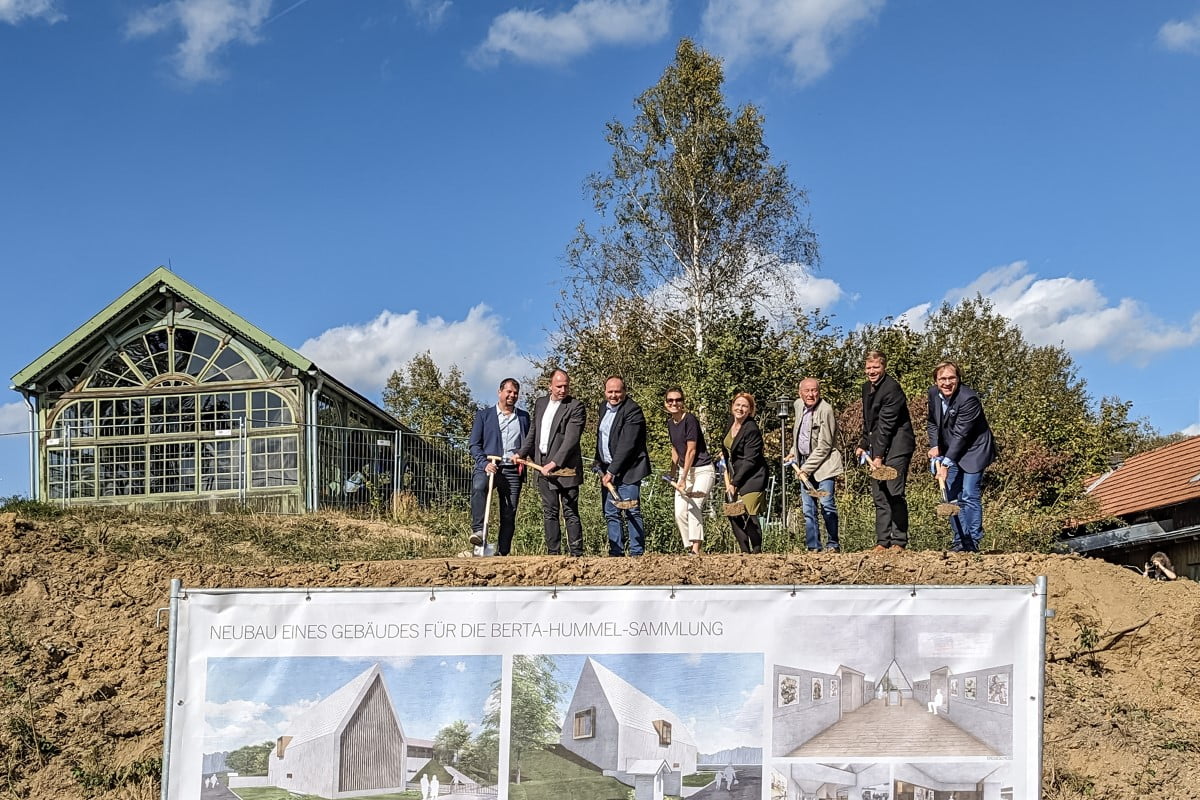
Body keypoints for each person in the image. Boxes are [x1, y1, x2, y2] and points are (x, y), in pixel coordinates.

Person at [926, 361, 996, 553]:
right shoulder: (933, 394)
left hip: (974, 450)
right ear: (936, 381)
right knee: (951, 497)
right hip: (951, 449)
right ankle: (960, 540)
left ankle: (973, 541)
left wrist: (946, 464)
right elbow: (933, 422)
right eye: (942, 379)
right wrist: (935, 447)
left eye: (951, 378)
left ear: (958, 379)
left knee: (968, 493)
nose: (947, 382)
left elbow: (962, 435)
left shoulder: (968, 399)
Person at [515, 369, 586, 556]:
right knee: (550, 512)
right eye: (559, 386)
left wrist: (554, 463)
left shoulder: (575, 407)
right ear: (550, 386)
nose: (563, 390)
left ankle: (576, 554)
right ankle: (553, 554)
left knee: (570, 511)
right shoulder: (540, 403)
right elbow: (533, 432)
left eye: (566, 386)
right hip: (542, 468)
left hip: (566, 469)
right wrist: (521, 453)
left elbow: (571, 440)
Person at [856, 350, 915, 552]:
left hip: (897, 445)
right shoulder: (866, 388)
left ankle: (898, 541)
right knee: (879, 494)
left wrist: (879, 456)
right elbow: (870, 421)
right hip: (878, 445)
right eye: (869, 367)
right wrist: (863, 443)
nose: (872, 371)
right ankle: (882, 542)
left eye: (876, 367)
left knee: (894, 491)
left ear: (884, 367)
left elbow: (886, 425)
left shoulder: (892, 389)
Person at [467, 378, 530, 554]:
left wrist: (523, 456)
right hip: (488, 466)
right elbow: (474, 444)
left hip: (511, 469)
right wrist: (484, 463)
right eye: (509, 392)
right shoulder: (484, 416)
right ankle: (478, 531)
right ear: (500, 392)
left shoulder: (524, 417)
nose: (512, 395)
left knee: (509, 512)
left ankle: (503, 552)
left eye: (515, 393)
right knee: (479, 487)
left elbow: (528, 443)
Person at [593, 376, 652, 556]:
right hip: (608, 469)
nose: (613, 395)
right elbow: (602, 438)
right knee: (611, 512)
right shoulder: (604, 408)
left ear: (624, 391)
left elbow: (627, 445)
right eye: (610, 392)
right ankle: (616, 553)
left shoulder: (633, 411)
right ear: (605, 392)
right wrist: (599, 462)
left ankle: (636, 554)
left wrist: (611, 471)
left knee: (631, 511)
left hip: (629, 471)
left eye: (617, 391)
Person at [787, 377, 844, 552]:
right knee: (808, 508)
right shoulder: (798, 405)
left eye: (814, 391)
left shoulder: (825, 410)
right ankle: (813, 547)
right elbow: (800, 433)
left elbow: (825, 445)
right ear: (800, 393)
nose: (811, 394)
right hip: (804, 463)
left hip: (825, 465)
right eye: (807, 391)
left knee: (826, 504)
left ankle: (833, 544)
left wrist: (806, 468)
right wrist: (793, 452)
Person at [664, 387, 715, 555]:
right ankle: (689, 549)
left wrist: (684, 477)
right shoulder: (671, 423)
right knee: (679, 512)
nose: (674, 403)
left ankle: (696, 549)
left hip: (702, 470)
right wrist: (673, 473)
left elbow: (691, 451)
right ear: (666, 403)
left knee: (694, 506)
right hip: (683, 471)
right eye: (670, 400)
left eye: (678, 400)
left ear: (683, 402)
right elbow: (675, 449)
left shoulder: (690, 420)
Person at [721, 392, 769, 553]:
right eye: (738, 405)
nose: (740, 409)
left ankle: (756, 552)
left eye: (744, 406)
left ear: (750, 410)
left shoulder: (751, 429)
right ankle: (744, 552)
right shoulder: (730, 422)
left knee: (748, 514)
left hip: (753, 476)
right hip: (735, 474)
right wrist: (724, 457)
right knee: (732, 512)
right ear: (732, 406)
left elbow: (750, 460)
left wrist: (735, 483)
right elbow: (728, 446)